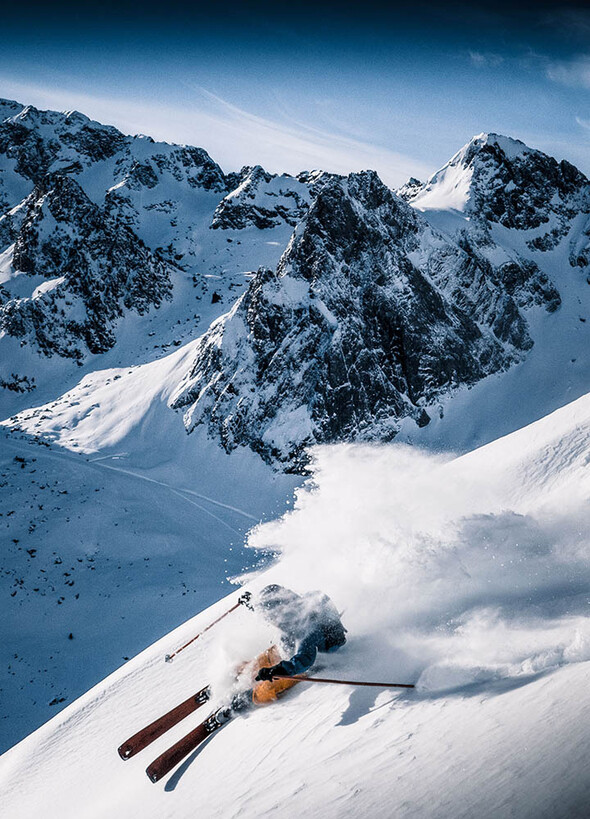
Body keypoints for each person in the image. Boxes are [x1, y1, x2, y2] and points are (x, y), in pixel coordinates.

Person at [213, 584, 346, 724]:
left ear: (281, 611)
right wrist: (251, 603)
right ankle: (240, 675)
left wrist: (279, 669)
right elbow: (266, 611)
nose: (270, 619)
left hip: (310, 661)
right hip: (289, 648)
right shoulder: (291, 611)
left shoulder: (307, 629)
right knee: (261, 660)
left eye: (272, 615)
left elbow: (304, 660)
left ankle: (244, 700)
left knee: (271, 684)